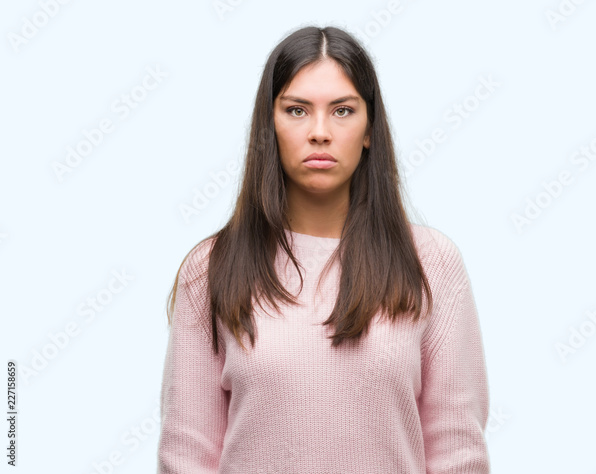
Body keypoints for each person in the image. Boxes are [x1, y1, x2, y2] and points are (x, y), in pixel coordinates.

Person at [156, 25, 491, 473]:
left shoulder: (432, 264)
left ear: (369, 128)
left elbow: (457, 451)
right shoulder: (211, 268)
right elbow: (186, 455)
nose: (319, 132)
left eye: (342, 110)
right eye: (296, 110)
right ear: (268, 128)